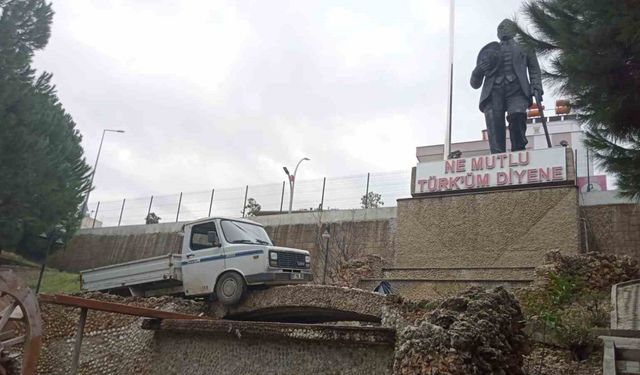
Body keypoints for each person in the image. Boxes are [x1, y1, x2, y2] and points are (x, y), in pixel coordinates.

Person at [470, 19, 543, 154]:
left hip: (516, 90)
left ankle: (518, 150)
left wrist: (536, 86)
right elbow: (475, 83)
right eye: (500, 28)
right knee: (494, 124)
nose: (503, 30)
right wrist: (478, 71)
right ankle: (497, 158)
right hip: (493, 92)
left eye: (506, 27)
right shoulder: (489, 52)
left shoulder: (525, 47)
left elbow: (534, 69)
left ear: (514, 31)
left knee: (517, 115)